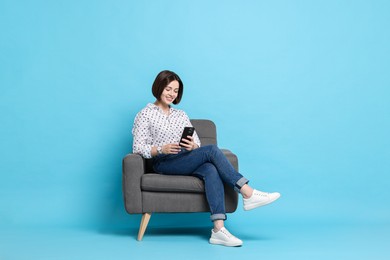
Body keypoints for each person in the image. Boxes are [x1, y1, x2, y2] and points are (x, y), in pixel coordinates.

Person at [132, 70, 281, 247]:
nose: (172, 94)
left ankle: (218, 230)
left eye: (176, 90)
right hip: (164, 162)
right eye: (168, 89)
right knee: (210, 150)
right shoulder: (145, 114)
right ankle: (247, 191)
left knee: (210, 169)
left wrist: (192, 146)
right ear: (159, 87)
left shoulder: (181, 115)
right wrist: (160, 149)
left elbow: (195, 141)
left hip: (185, 157)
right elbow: (137, 147)